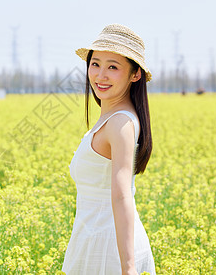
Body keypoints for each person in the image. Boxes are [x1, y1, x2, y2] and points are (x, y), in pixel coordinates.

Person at [61, 24, 156, 275]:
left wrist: (128, 268)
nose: (100, 75)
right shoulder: (113, 118)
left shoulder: (119, 123)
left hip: (108, 249)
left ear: (135, 75)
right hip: (95, 238)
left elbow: (122, 195)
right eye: (95, 64)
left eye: (113, 67)